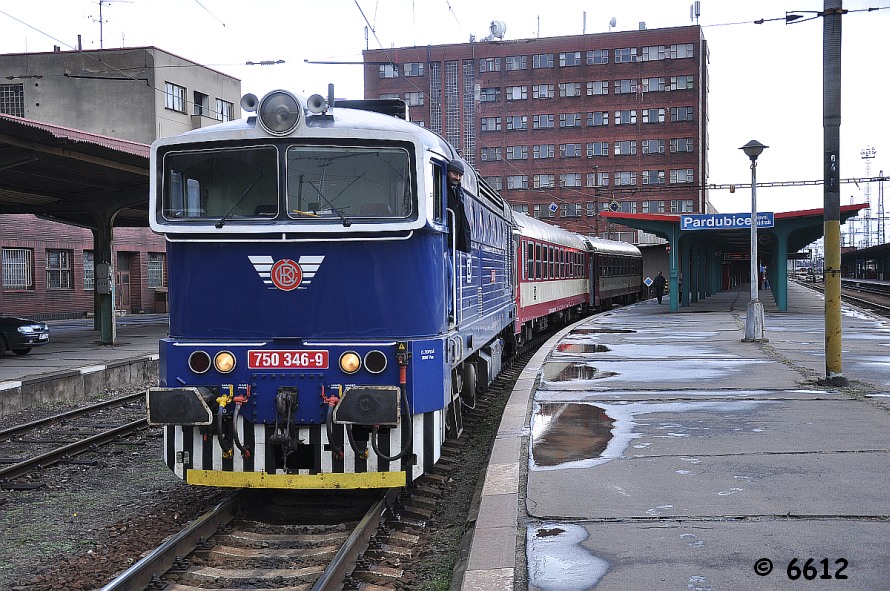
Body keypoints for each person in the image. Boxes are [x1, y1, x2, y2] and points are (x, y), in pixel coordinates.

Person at [446, 159, 471, 253]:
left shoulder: (458, 191)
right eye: (455, 174)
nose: (457, 178)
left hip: (453, 242)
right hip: (446, 240)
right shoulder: (442, 188)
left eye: (460, 175)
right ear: (447, 172)